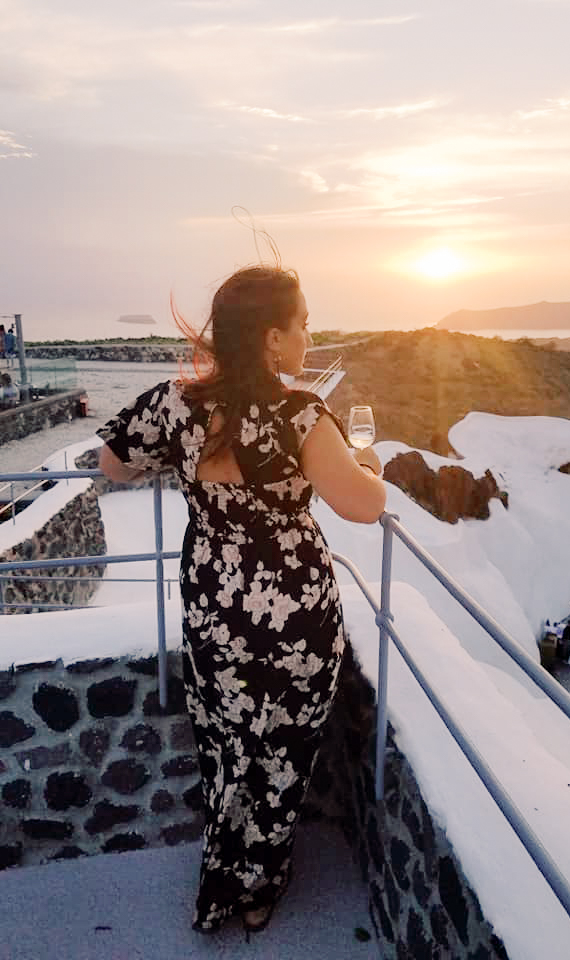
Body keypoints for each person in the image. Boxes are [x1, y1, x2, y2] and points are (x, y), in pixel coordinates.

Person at [96, 265, 386, 934]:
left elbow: (113, 463)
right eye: (304, 325)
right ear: (271, 339)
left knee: (228, 741)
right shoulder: (300, 415)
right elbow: (363, 507)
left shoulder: (178, 403)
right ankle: (257, 887)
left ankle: (226, 863)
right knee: (281, 751)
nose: (309, 340)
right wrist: (368, 464)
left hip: (214, 604)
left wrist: (178, 455)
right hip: (293, 617)